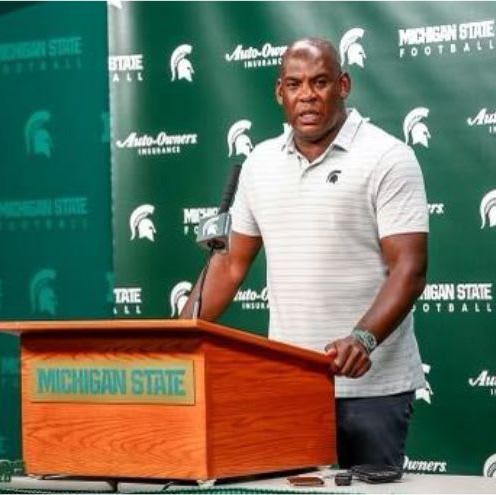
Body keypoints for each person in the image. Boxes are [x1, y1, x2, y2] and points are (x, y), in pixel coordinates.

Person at [181, 37, 429, 470]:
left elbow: (408, 268)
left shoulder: (388, 157)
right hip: (289, 387)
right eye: (295, 84)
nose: (308, 95)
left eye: (320, 82)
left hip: (371, 388)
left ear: (344, 85)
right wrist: (177, 336)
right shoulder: (259, 164)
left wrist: (364, 338)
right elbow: (230, 263)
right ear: (280, 92)